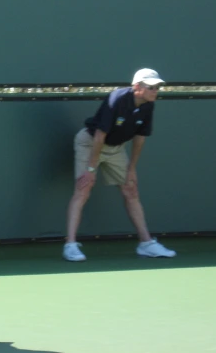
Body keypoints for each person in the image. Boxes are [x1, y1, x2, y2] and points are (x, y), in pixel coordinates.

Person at [63, 68, 177, 262]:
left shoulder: (149, 105)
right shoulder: (117, 99)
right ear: (137, 87)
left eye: (157, 87)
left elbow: (140, 139)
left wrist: (131, 168)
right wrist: (91, 169)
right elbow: (100, 135)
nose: (155, 90)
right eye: (151, 87)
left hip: (116, 148)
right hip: (90, 143)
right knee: (83, 188)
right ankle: (70, 245)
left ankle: (146, 244)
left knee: (131, 190)